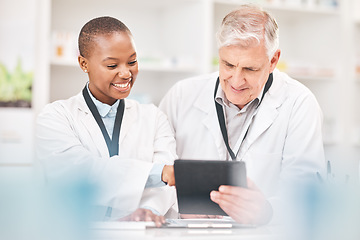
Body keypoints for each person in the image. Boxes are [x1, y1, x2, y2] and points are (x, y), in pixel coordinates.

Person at [159, 4, 325, 225]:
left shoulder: (299, 104)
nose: (236, 81)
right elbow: (156, 170)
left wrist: (268, 212)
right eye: (228, 64)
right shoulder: (181, 96)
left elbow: (306, 194)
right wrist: (177, 206)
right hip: (191, 231)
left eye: (250, 69)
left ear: (273, 61)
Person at [36, 16, 176, 227]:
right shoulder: (55, 117)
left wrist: (148, 210)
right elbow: (81, 172)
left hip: (139, 232)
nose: (126, 73)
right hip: (77, 230)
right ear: (84, 64)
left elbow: (170, 183)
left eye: (132, 62)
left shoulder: (153, 117)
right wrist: (159, 172)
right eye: (112, 65)